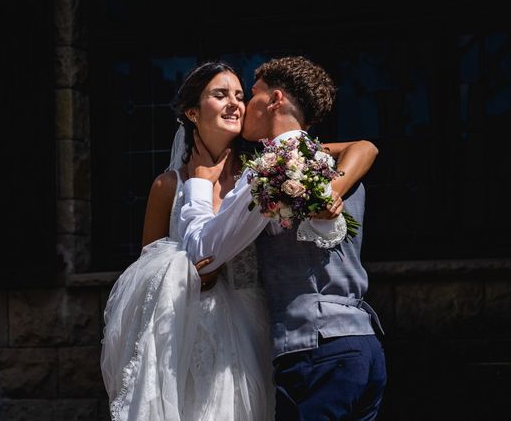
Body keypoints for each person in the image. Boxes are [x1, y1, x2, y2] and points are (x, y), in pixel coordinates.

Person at [100, 60, 379, 421]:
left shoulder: (268, 170)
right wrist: (182, 274)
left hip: (261, 337)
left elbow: (363, 146)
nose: (236, 102)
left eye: (241, 94)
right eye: (220, 95)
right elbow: (144, 272)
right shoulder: (170, 185)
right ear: (192, 112)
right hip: (185, 339)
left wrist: (331, 191)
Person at [180, 56, 386, 420]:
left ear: (274, 100)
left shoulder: (271, 171)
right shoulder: (338, 165)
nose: (244, 107)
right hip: (365, 346)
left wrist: (198, 180)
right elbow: (364, 147)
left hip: (314, 352)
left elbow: (205, 251)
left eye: (252, 94)